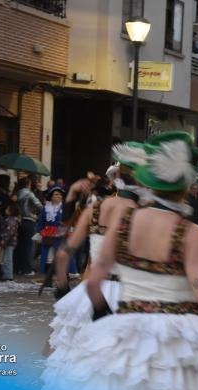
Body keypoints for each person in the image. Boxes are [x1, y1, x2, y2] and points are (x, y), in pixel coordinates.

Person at [40, 131, 198, 390]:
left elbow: (93, 281)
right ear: (185, 186)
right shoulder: (191, 233)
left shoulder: (124, 222)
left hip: (124, 327)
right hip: (176, 338)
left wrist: (102, 314)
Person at [46, 142, 146, 354]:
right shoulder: (144, 215)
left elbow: (63, 254)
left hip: (90, 294)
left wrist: (63, 291)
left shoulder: (96, 208)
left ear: (116, 177)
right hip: (129, 298)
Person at [37, 185, 77, 276]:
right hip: (48, 235)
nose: (59, 196)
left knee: (63, 255)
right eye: (56, 194)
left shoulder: (64, 208)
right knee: (48, 257)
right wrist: (40, 231)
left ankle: (66, 275)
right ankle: (48, 278)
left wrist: (64, 231)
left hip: (61, 235)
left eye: (60, 194)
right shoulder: (45, 208)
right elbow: (42, 222)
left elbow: (68, 220)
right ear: (51, 197)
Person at [15, 176, 43, 276]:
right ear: (28, 184)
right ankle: (26, 269)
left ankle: (17, 268)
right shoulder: (29, 193)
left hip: (18, 221)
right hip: (29, 220)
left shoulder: (17, 193)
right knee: (28, 246)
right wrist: (37, 213)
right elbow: (39, 205)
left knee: (19, 246)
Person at [0, 203, 20, 281]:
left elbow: (8, 233)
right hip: (10, 242)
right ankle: (7, 274)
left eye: (7, 209)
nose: (6, 210)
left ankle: (8, 276)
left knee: (7, 259)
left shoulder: (11, 221)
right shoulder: (11, 219)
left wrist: (3, 241)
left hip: (9, 242)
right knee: (7, 259)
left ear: (11, 211)